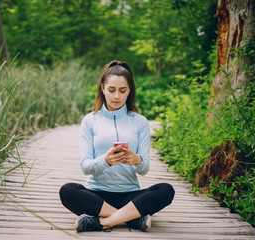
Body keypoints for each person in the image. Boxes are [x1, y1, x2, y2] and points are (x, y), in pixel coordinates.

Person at [59, 60, 175, 232]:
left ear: (130, 91)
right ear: (103, 88)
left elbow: (144, 169)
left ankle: (100, 222)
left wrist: (137, 160)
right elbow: (86, 167)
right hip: (96, 194)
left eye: (122, 91)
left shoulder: (140, 122)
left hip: (130, 196)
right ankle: (132, 219)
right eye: (111, 90)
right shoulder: (90, 121)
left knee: (166, 190)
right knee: (67, 191)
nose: (116, 96)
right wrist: (105, 160)